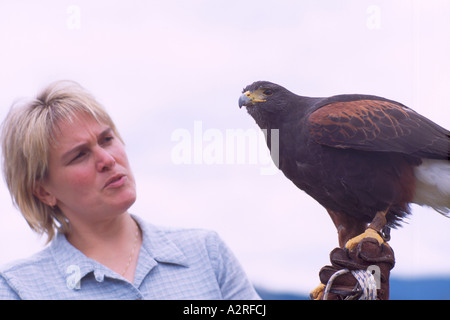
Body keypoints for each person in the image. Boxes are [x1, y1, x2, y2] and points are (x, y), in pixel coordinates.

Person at [0, 80, 260, 300]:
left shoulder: (206, 253)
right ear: (43, 191)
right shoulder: (18, 288)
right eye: (79, 155)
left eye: (107, 139)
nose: (108, 159)